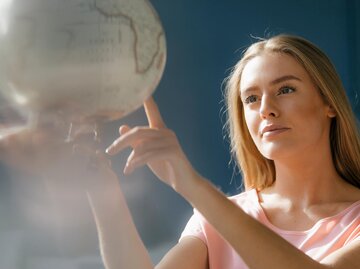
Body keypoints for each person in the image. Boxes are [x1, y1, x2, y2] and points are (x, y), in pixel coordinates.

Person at [87, 34, 360, 269]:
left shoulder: (216, 212)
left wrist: (191, 185)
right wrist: (102, 192)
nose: (265, 108)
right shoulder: (215, 220)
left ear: (329, 103)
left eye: (285, 89)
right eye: (251, 99)